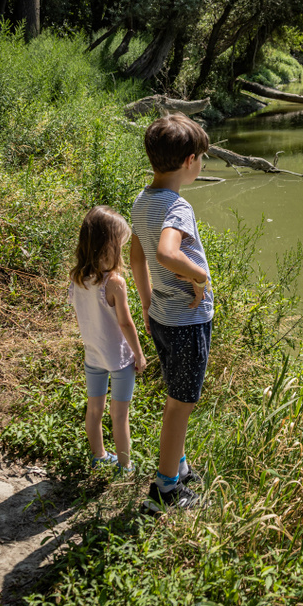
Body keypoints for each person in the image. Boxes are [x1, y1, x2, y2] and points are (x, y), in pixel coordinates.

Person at [130, 112, 213, 510]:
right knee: (181, 404)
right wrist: (198, 277)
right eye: (201, 158)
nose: (201, 164)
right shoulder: (177, 207)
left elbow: (136, 258)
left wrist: (147, 304)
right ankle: (165, 490)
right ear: (188, 161)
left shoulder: (142, 200)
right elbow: (165, 253)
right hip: (186, 321)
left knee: (176, 393)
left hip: (163, 316)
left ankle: (177, 466)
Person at [68, 205, 146, 474]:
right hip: (118, 359)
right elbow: (125, 323)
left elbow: (81, 316)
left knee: (94, 410)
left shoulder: (78, 278)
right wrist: (139, 354)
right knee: (119, 414)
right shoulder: (114, 282)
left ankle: (99, 455)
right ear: (109, 246)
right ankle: (125, 466)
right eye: (120, 244)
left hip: (93, 355)